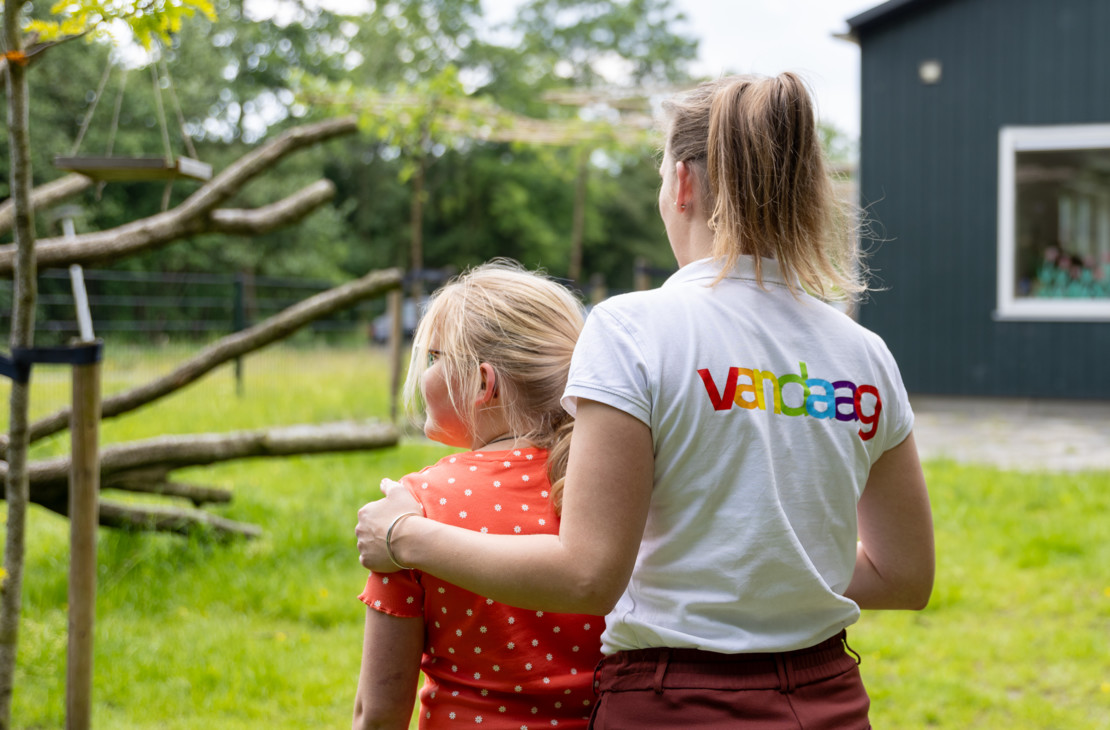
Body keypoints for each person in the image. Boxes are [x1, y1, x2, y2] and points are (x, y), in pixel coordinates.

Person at [356, 73, 935, 729]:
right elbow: (905, 577)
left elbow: (588, 575)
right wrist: (766, 568)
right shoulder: (863, 354)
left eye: (661, 174)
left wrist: (405, 536)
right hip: (826, 700)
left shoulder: (633, 329)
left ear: (682, 185)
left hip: (675, 703)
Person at [351, 261, 604, 729]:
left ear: (482, 384)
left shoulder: (416, 507)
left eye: (433, 358)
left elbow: (379, 713)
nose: (424, 373)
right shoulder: (614, 491)